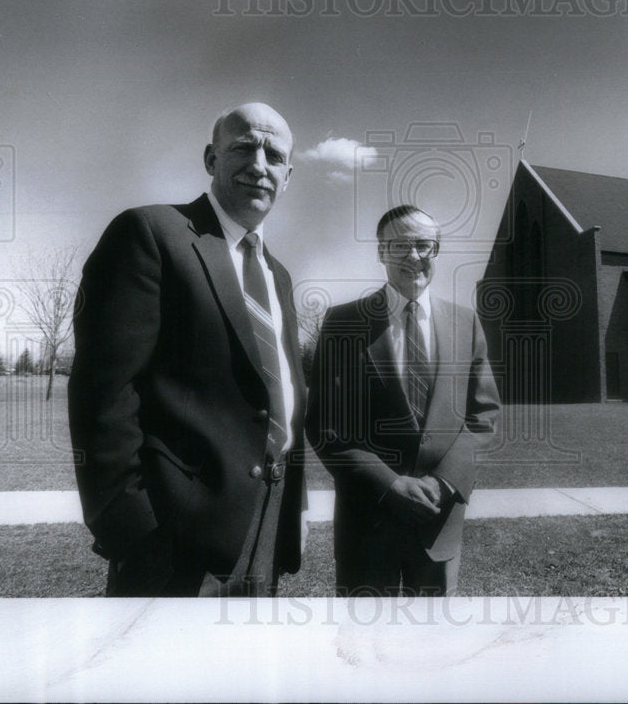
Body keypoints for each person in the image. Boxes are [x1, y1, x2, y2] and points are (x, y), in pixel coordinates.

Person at [68, 102, 306, 597]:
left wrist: (294, 510)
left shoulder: (277, 275)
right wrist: (132, 531)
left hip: (266, 528)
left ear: (289, 175)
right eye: (243, 147)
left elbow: (279, 395)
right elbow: (102, 394)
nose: (259, 165)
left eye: (275, 155)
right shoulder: (150, 234)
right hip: (171, 541)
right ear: (210, 158)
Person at [306, 205, 500, 596]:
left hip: (439, 524)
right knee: (362, 647)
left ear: (437, 252)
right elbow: (325, 425)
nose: (414, 256)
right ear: (381, 252)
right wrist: (390, 485)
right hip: (367, 524)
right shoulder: (342, 323)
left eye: (424, 246)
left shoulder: (466, 323)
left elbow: (484, 416)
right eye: (400, 245)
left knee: (434, 648)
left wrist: (443, 484)